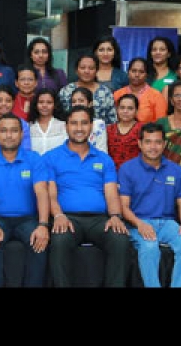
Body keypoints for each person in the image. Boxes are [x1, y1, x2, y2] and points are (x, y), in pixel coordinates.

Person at [45, 106, 130, 287]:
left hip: (99, 220)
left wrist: (115, 216)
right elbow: (50, 194)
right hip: (67, 218)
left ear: (91, 126)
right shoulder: (51, 157)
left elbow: (111, 193)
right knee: (60, 240)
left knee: (120, 239)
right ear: (66, 127)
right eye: (74, 123)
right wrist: (58, 215)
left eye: (84, 123)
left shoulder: (104, 159)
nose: (79, 128)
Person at [0, 113, 50, 287]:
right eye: (4, 131)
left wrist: (43, 225)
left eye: (14, 131)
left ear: (22, 134)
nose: (9, 135)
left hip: (28, 219)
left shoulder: (34, 159)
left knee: (39, 243)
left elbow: (42, 193)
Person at [119, 122, 181, 288]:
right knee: (149, 248)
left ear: (164, 144)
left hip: (168, 224)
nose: (153, 147)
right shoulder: (127, 169)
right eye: (148, 142)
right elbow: (123, 207)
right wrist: (140, 224)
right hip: (138, 222)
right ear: (140, 144)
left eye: (157, 142)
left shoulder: (176, 170)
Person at [58, 54, 117, 124]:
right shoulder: (66, 91)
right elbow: (59, 118)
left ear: (96, 71)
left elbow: (112, 120)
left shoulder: (105, 93)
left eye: (91, 68)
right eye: (82, 68)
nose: (86, 71)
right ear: (76, 70)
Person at [113, 57, 167, 124]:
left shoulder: (156, 96)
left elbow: (161, 123)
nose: (137, 75)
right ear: (128, 72)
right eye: (133, 71)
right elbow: (113, 121)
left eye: (141, 72)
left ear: (146, 75)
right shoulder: (118, 94)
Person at [0, 85, 32, 154]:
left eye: (8, 101)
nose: (4, 104)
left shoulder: (22, 123)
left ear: (13, 102)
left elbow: (26, 150)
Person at [107, 94, 143, 170]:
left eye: (130, 108)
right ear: (117, 109)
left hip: (135, 171)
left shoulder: (142, 129)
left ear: (136, 111)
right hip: (112, 172)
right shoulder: (108, 129)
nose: (125, 111)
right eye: (122, 108)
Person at [67, 87, 108, 153]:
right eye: (74, 101)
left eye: (81, 101)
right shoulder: (68, 123)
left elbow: (102, 151)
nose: (77, 104)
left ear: (90, 104)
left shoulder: (99, 124)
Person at [28, 89, 67, 156]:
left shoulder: (63, 126)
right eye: (41, 102)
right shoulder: (29, 127)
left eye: (49, 102)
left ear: (55, 105)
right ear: (36, 105)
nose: (44, 105)